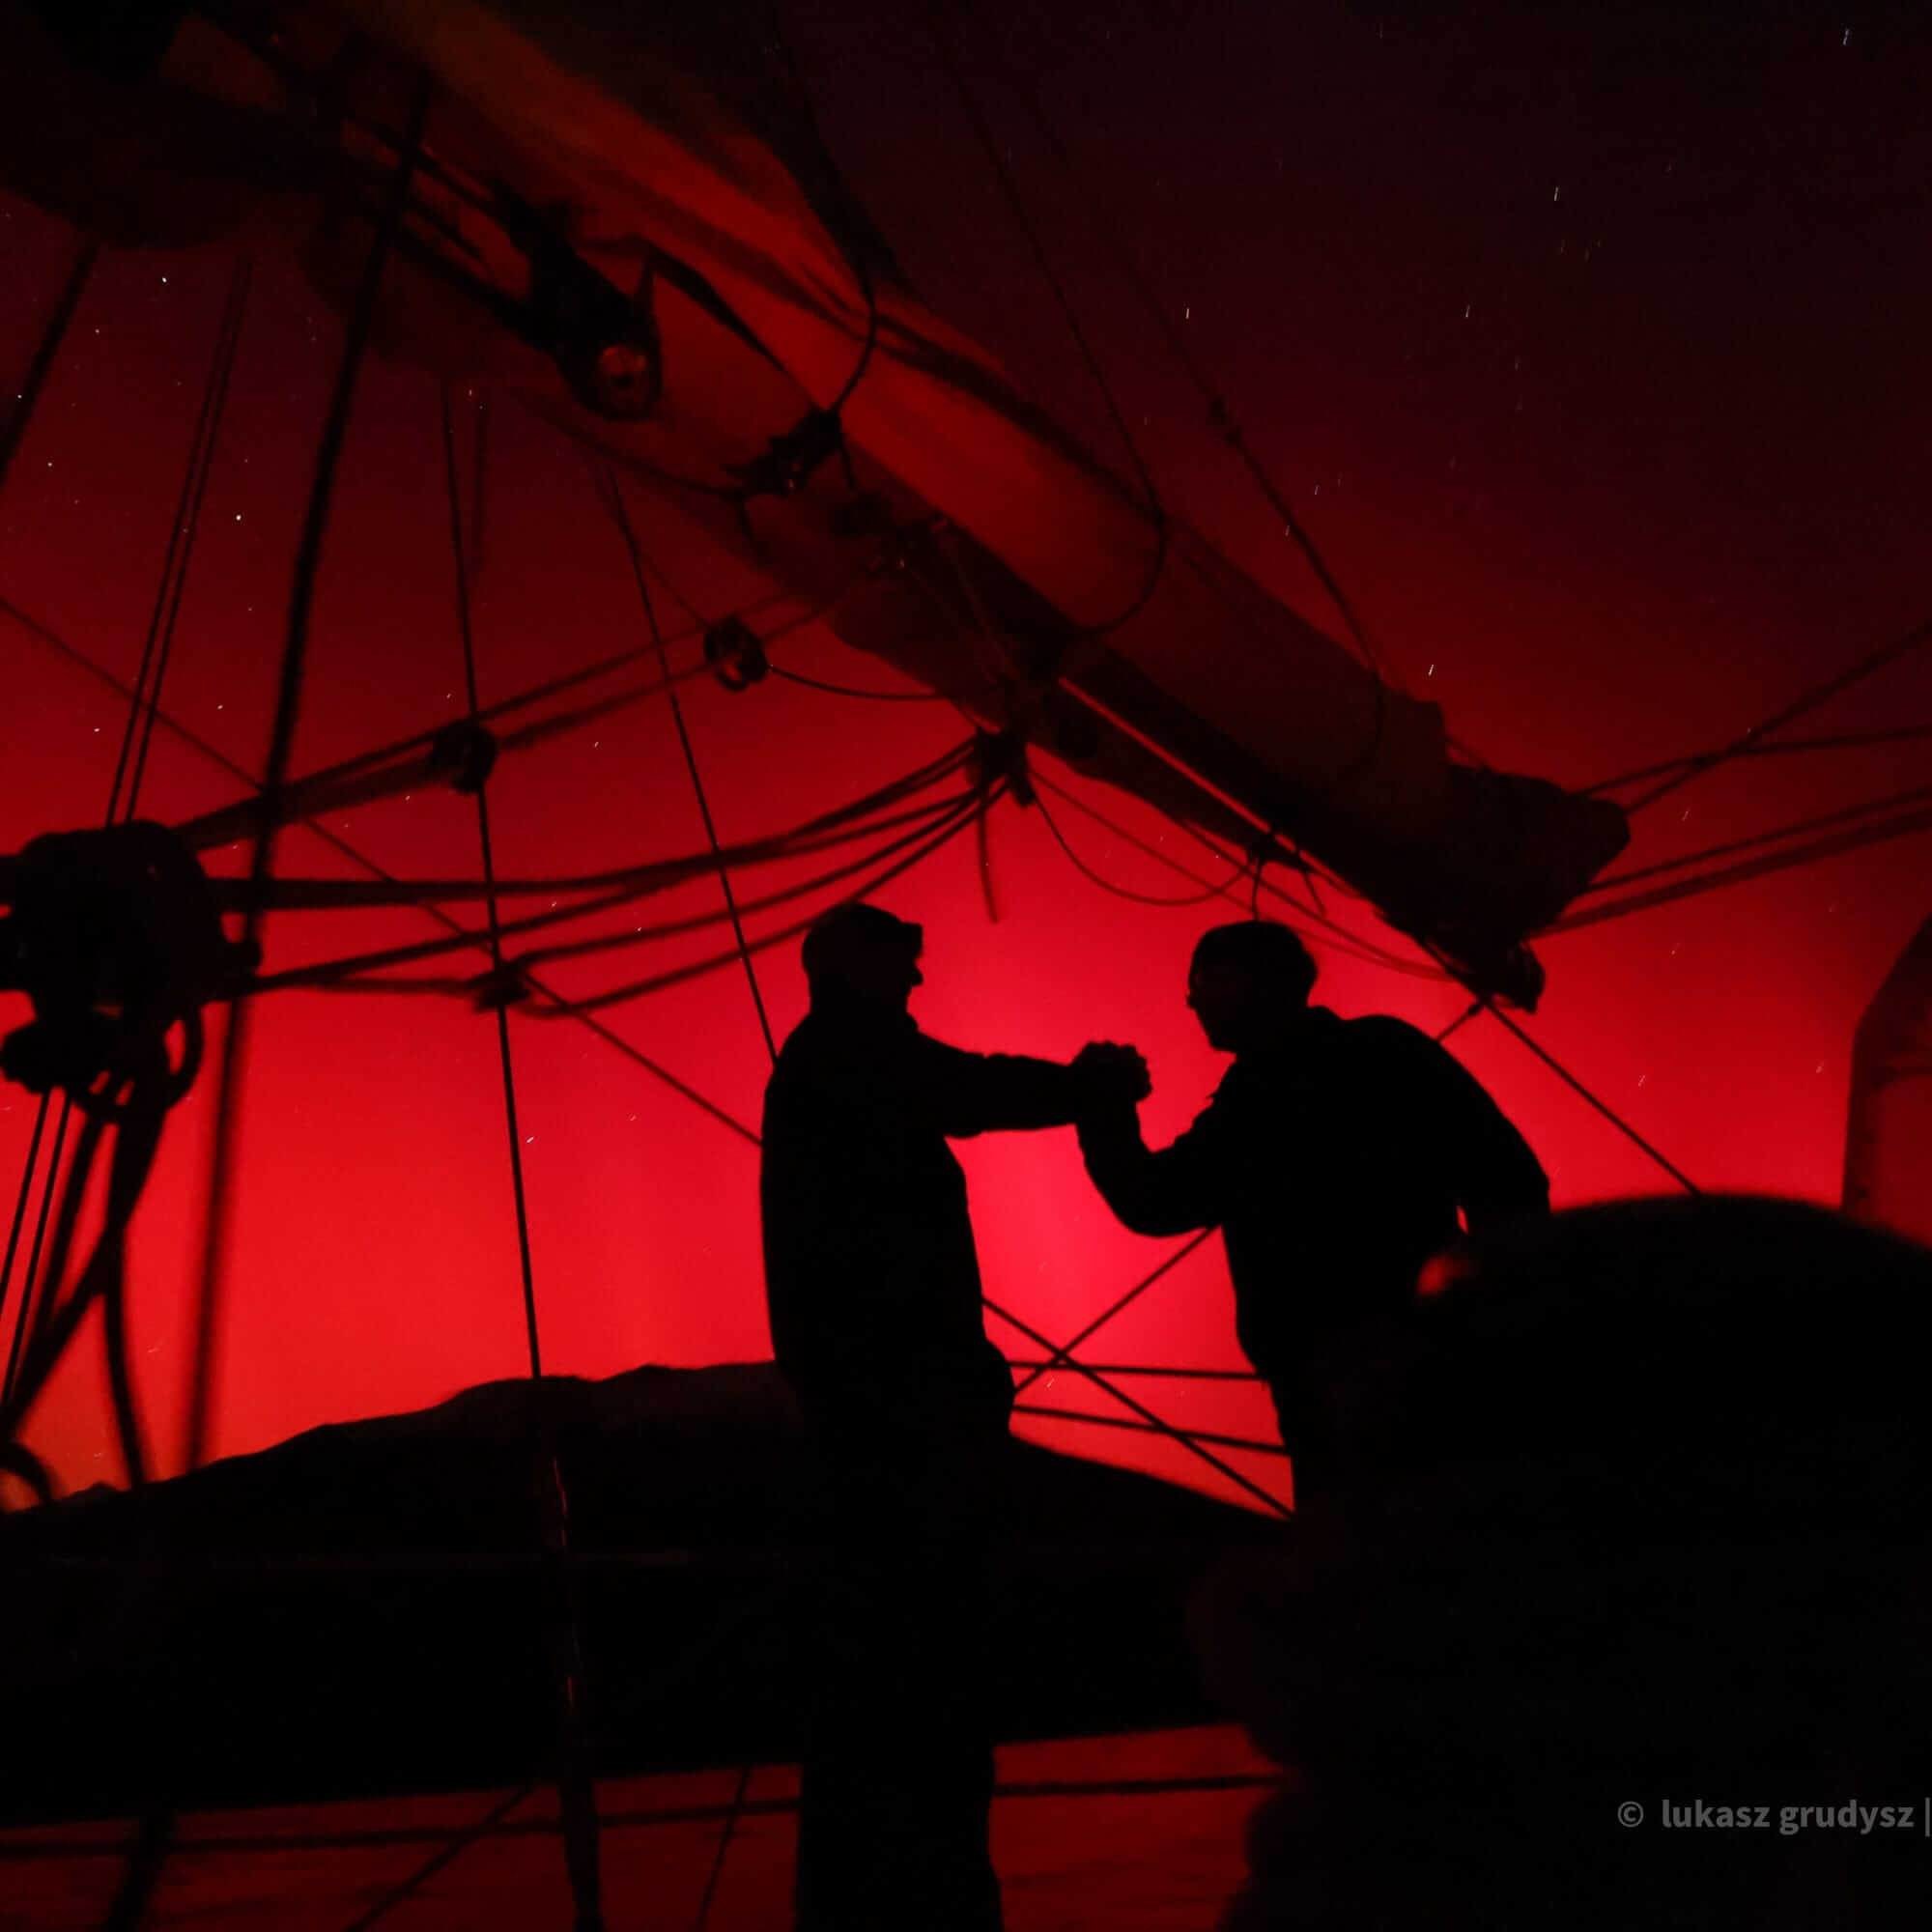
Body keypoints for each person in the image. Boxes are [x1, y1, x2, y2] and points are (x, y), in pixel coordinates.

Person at [760, 900, 1146, 1932]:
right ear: (856, 971)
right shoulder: (852, 1054)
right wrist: (1087, 1088)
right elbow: (963, 1086)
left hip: (882, 1407)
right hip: (896, 1415)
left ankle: (891, 1890)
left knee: (895, 1682)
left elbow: (954, 1082)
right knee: (917, 1677)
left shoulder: (830, 1058)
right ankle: (922, 1894)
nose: (919, 984)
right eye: (906, 967)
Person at [1074, 921, 1548, 1500]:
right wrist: (1494, 1315)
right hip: (1421, 1352)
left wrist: (1102, 1107)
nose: (1192, 999)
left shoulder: (1259, 1099)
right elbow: (1507, 1176)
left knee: (1366, 1548)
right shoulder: (1385, 1051)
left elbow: (1155, 1199)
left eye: (1202, 980)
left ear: (1250, 983)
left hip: (1337, 1374)